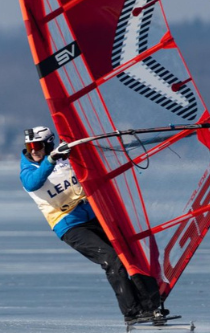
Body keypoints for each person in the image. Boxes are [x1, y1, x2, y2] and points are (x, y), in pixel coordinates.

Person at [19, 126, 166, 323]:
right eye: (29, 147)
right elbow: (32, 183)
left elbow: (95, 161)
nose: (33, 150)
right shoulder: (28, 169)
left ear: (48, 143)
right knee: (112, 259)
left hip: (94, 215)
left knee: (130, 252)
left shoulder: (67, 158)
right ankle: (132, 313)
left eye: (37, 145)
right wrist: (51, 159)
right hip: (69, 225)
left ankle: (151, 306)